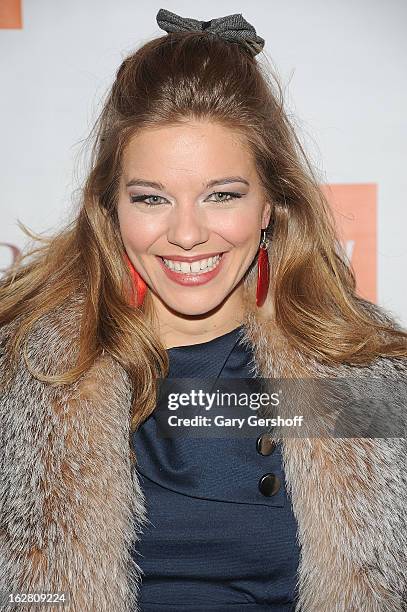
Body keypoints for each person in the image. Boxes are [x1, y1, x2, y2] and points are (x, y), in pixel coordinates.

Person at [0, 7, 406, 612]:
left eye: (222, 195)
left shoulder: (358, 373)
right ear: (110, 207)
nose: (186, 234)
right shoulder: (26, 374)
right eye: (151, 197)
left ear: (271, 203)